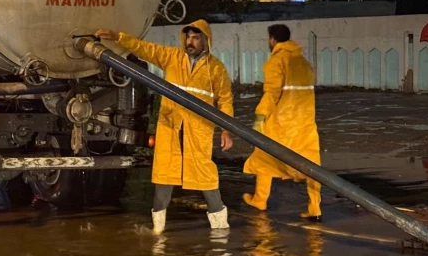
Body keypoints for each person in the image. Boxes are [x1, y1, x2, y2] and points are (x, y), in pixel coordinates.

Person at [95, 20, 235, 234]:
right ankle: (157, 230)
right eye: (188, 37)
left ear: (206, 40)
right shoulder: (172, 57)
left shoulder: (215, 68)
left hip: (197, 131)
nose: (190, 41)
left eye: (195, 38)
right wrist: (119, 37)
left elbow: (225, 99)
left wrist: (227, 130)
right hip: (171, 127)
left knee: (205, 176)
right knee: (164, 176)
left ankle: (220, 228)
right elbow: (146, 49)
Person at [242, 24, 323, 222]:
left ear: (272, 40)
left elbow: (272, 92)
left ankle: (260, 200)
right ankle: (315, 207)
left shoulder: (276, 61)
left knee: (263, 157)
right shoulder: (303, 62)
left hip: (282, 123)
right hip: (304, 122)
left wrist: (260, 117)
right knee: (311, 166)